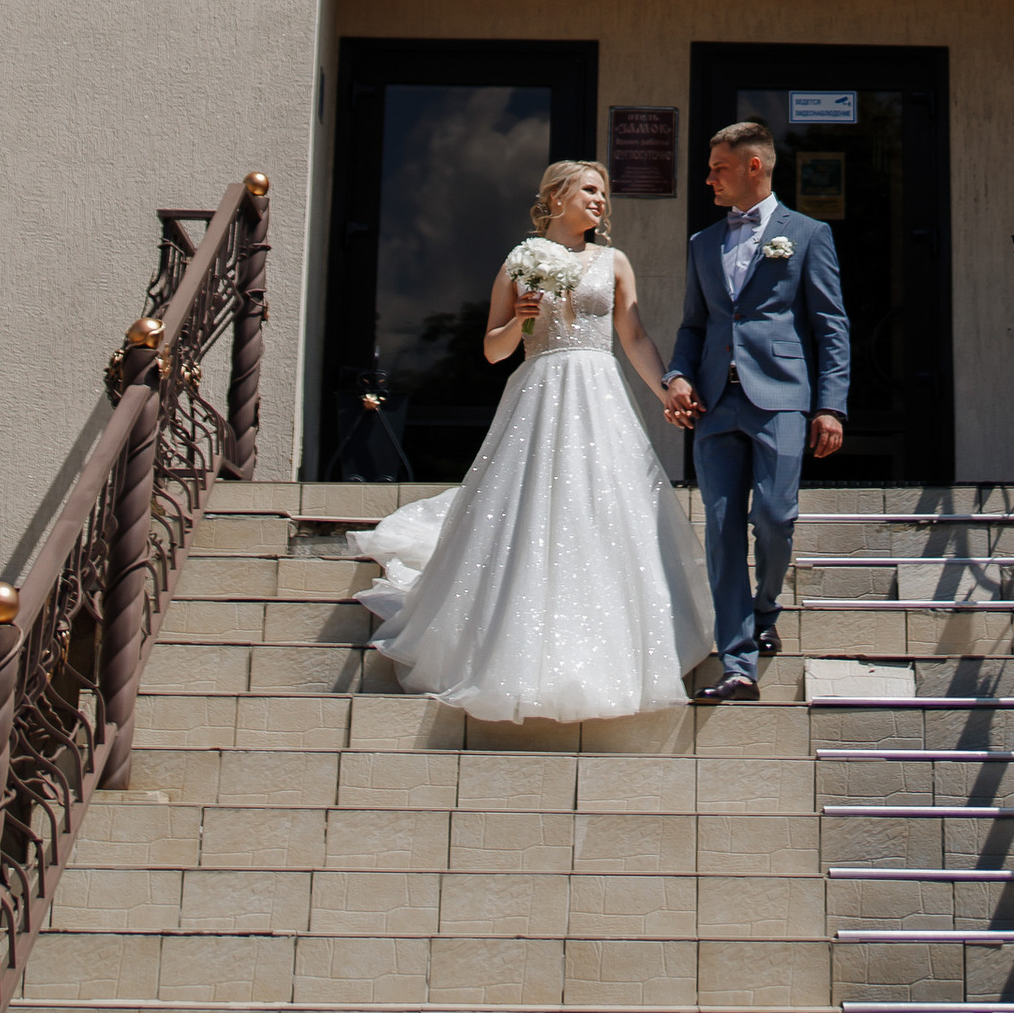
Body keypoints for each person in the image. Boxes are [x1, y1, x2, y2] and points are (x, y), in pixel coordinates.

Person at [361, 159, 711, 723]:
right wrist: (520, 320)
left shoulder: (614, 262)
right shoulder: (520, 262)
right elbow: (493, 351)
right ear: (557, 197)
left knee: (603, 507)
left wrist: (667, 387)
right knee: (536, 510)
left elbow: (634, 335)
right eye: (590, 191)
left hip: (600, 394)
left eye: (604, 193)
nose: (601, 201)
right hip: (541, 390)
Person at [663, 118, 850, 701]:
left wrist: (831, 406)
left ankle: (765, 606)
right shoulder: (701, 244)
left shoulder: (809, 233)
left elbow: (831, 327)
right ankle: (737, 663)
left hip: (783, 401)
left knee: (773, 516)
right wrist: (676, 376)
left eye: (718, 168)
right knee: (720, 530)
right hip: (715, 405)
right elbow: (695, 325)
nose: (709, 179)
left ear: (754, 166)